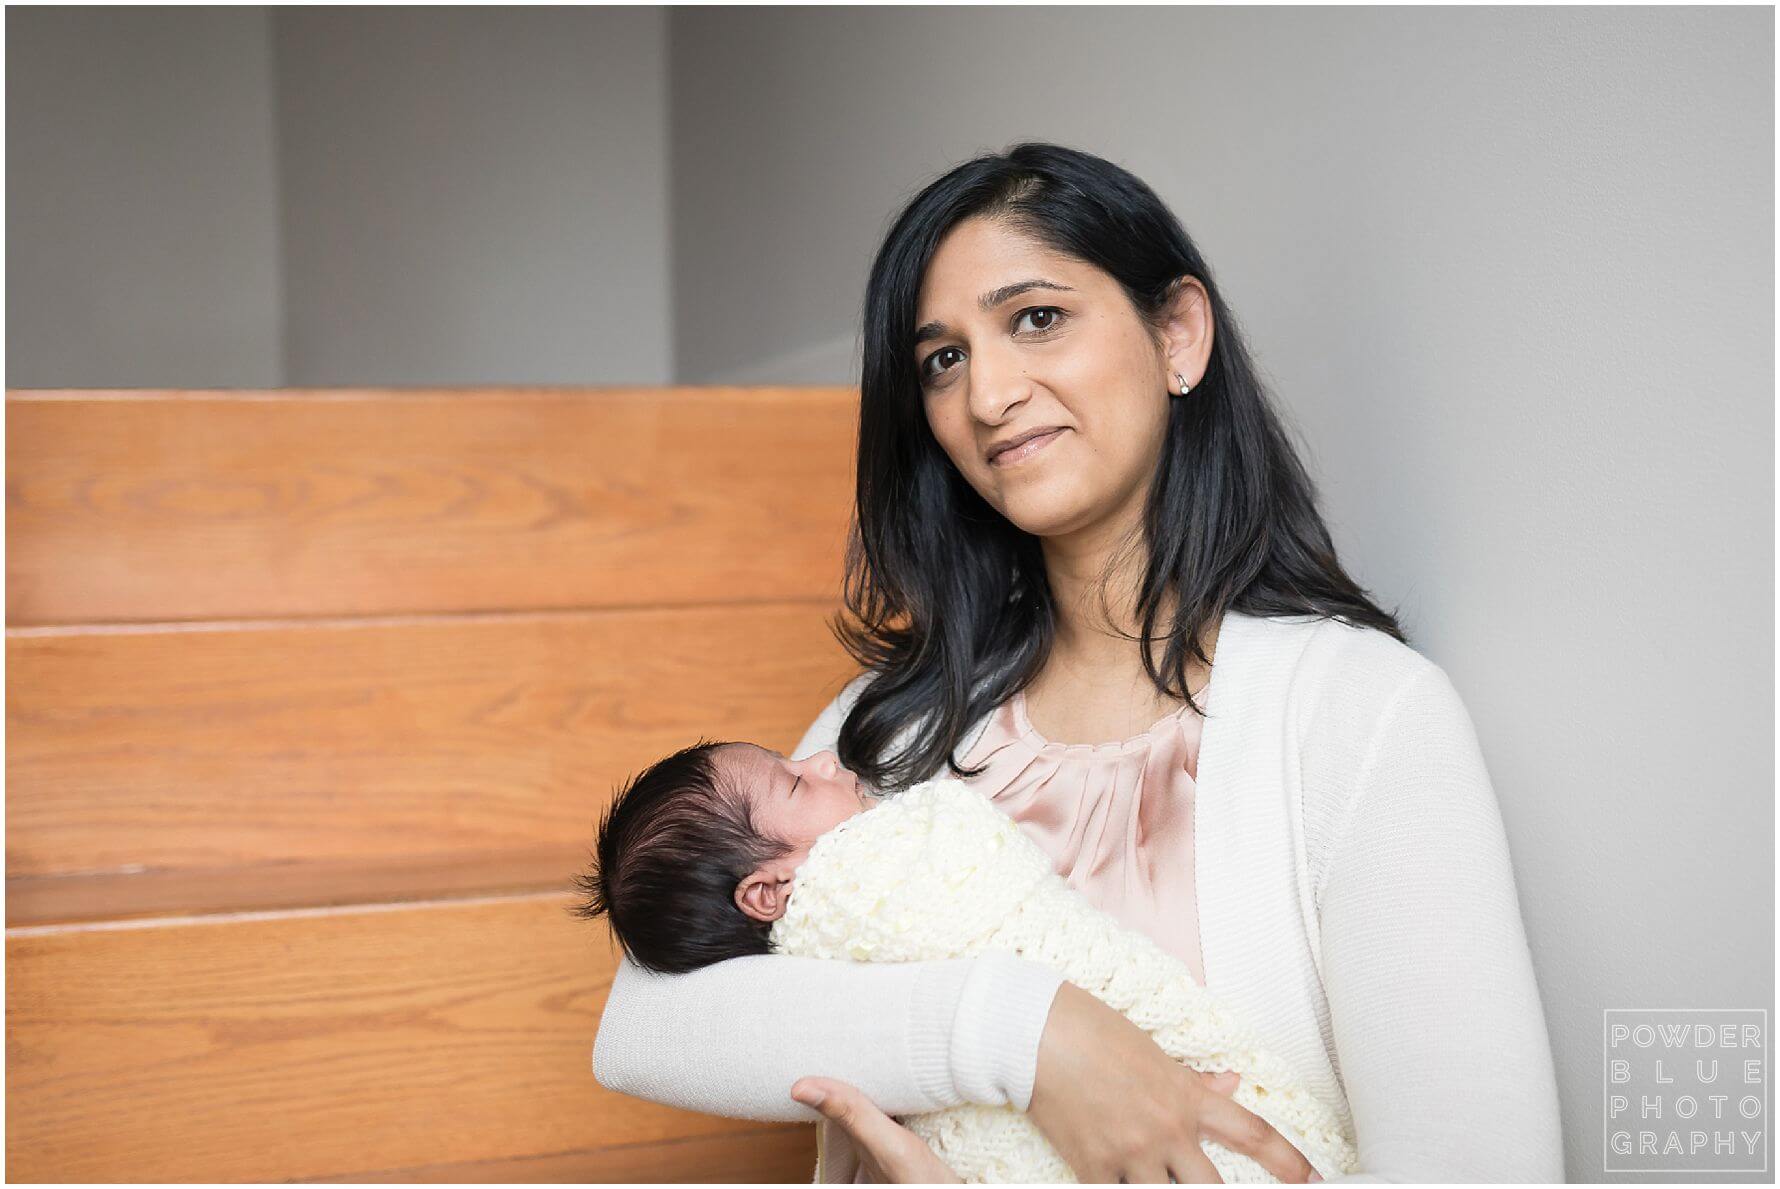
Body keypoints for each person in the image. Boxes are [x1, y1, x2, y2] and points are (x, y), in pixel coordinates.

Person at [591, 142, 1565, 1183]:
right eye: (942, 358)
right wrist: (1031, 1035)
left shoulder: (1358, 714)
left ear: (1177, 334)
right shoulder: (893, 727)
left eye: (1037, 318)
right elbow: (645, 1027)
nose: (988, 393)